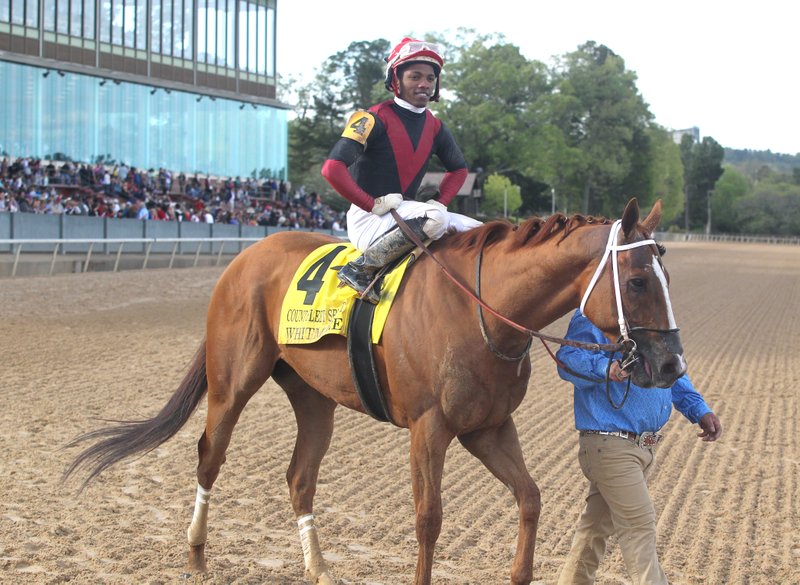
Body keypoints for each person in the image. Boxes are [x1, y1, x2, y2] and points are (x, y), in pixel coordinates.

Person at [556, 309, 722, 585]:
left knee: (595, 528)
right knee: (640, 526)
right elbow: (567, 360)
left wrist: (699, 410)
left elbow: (673, 370)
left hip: (642, 448)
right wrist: (605, 368)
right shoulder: (594, 315)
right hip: (608, 444)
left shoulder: (654, 316)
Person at [321, 37, 481, 303]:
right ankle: (361, 268)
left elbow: (459, 170)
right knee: (436, 219)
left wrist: (440, 202)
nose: (424, 84)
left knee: (482, 230)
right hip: (368, 219)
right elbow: (332, 169)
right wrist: (373, 204)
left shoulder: (435, 126)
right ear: (396, 79)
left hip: (407, 214)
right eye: (415, 76)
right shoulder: (370, 118)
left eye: (430, 78)